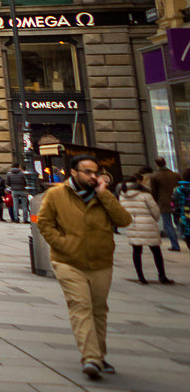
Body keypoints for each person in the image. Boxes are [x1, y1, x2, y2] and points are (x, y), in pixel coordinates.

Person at [36, 154, 132, 379]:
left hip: (100, 261)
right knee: (81, 307)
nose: (92, 176)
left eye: (95, 172)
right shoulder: (56, 194)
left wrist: (104, 194)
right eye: (87, 172)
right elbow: (45, 223)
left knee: (98, 310)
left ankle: (99, 356)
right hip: (68, 261)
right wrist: (64, 244)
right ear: (74, 173)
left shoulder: (103, 196)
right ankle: (90, 358)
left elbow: (124, 220)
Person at [119, 177, 174, 285]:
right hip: (148, 223)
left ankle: (141, 277)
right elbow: (155, 211)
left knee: (136, 251)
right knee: (156, 251)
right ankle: (162, 276)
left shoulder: (122, 195)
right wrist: (155, 219)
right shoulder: (145, 195)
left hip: (133, 223)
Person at [147, 157, 183, 252]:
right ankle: (185, 237)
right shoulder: (175, 175)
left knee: (168, 224)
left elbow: (154, 191)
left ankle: (175, 245)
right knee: (179, 222)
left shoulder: (155, 176)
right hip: (177, 202)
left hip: (163, 202)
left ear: (157, 164)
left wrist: (153, 202)